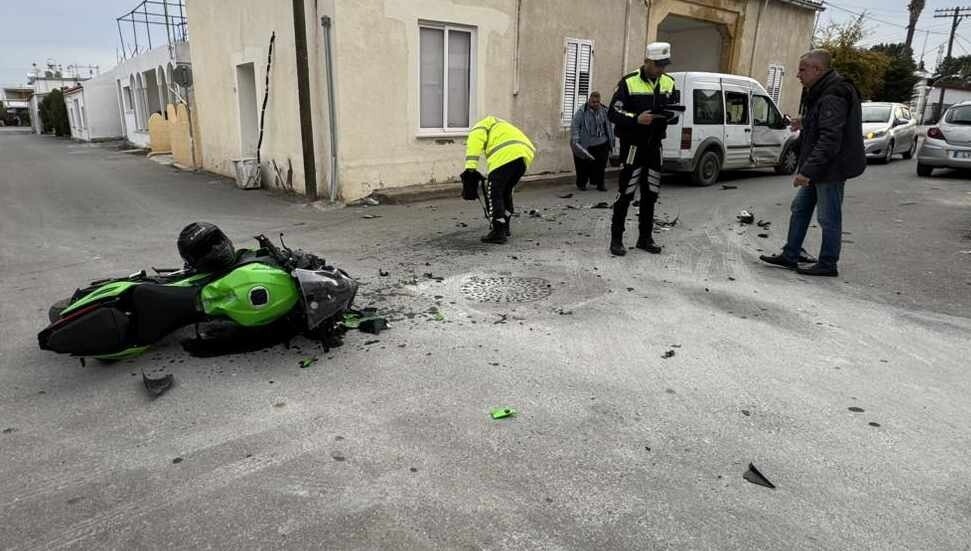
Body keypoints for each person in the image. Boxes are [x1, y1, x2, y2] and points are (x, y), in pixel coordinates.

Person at [759, 49, 865, 277]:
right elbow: (825, 120)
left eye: (802, 69)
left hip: (830, 168)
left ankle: (828, 263)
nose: (798, 75)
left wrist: (807, 171)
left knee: (828, 216)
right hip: (822, 166)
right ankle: (790, 255)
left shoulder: (833, 93)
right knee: (800, 208)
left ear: (818, 69)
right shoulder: (825, 89)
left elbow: (830, 138)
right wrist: (805, 122)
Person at [606, 42, 679, 256]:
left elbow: (674, 110)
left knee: (651, 194)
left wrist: (668, 116)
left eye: (664, 65)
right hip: (633, 146)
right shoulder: (629, 82)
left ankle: (645, 238)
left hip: (655, 146)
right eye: (658, 65)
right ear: (647, 62)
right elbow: (613, 113)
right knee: (626, 192)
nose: (661, 69)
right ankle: (616, 240)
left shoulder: (669, 82)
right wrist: (636, 119)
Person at [460, 115, 536, 244]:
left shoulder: (477, 129)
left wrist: (470, 170)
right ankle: (505, 226)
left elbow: (473, 149)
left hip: (505, 157)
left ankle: (498, 231)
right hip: (524, 156)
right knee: (506, 191)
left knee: (494, 192)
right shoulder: (499, 125)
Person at [570, 91, 614, 191]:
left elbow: (609, 126)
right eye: (593, 102)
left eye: (597, 102)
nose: (595, 104)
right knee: (583, 165)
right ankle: (582, 184)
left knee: (601, 165)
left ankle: (600, 184)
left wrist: (611, 140)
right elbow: (575, 125)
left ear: (599, 102)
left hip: (602, 142)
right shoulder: (582, 111)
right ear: (589, 100)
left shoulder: (605, 111)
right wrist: (575, 138)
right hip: (586, 144)